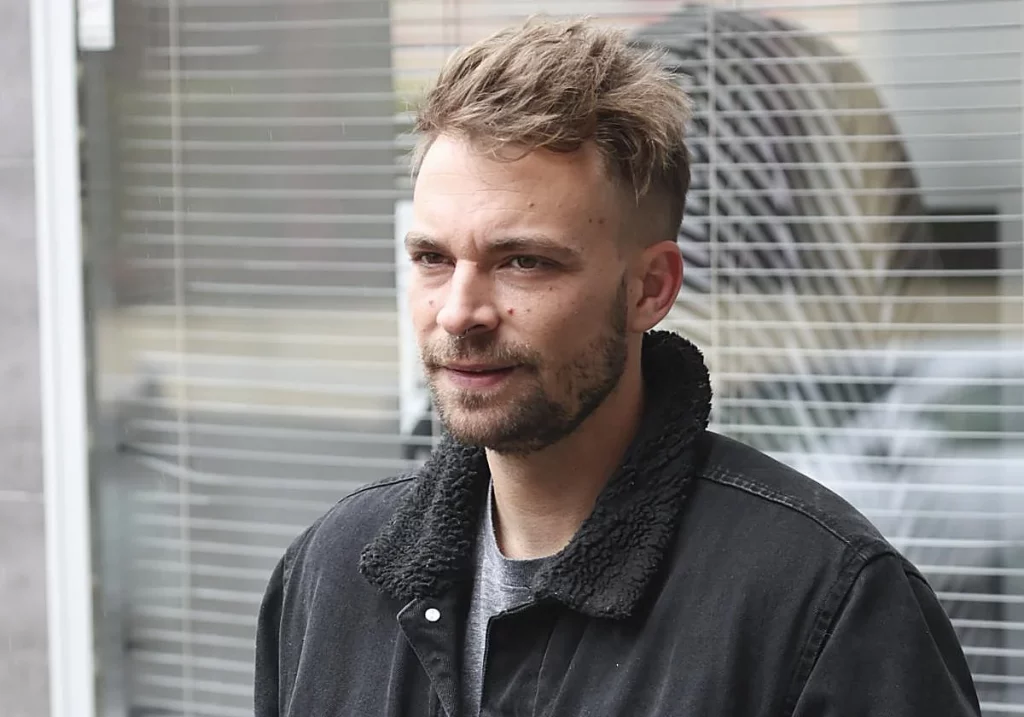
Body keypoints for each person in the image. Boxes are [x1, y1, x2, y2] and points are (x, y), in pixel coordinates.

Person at [254, 16, 981, 717]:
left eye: (524, 261)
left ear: (650, 288)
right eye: (432, 258)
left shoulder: (823, 600)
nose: (458, 313)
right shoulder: (328, 574)